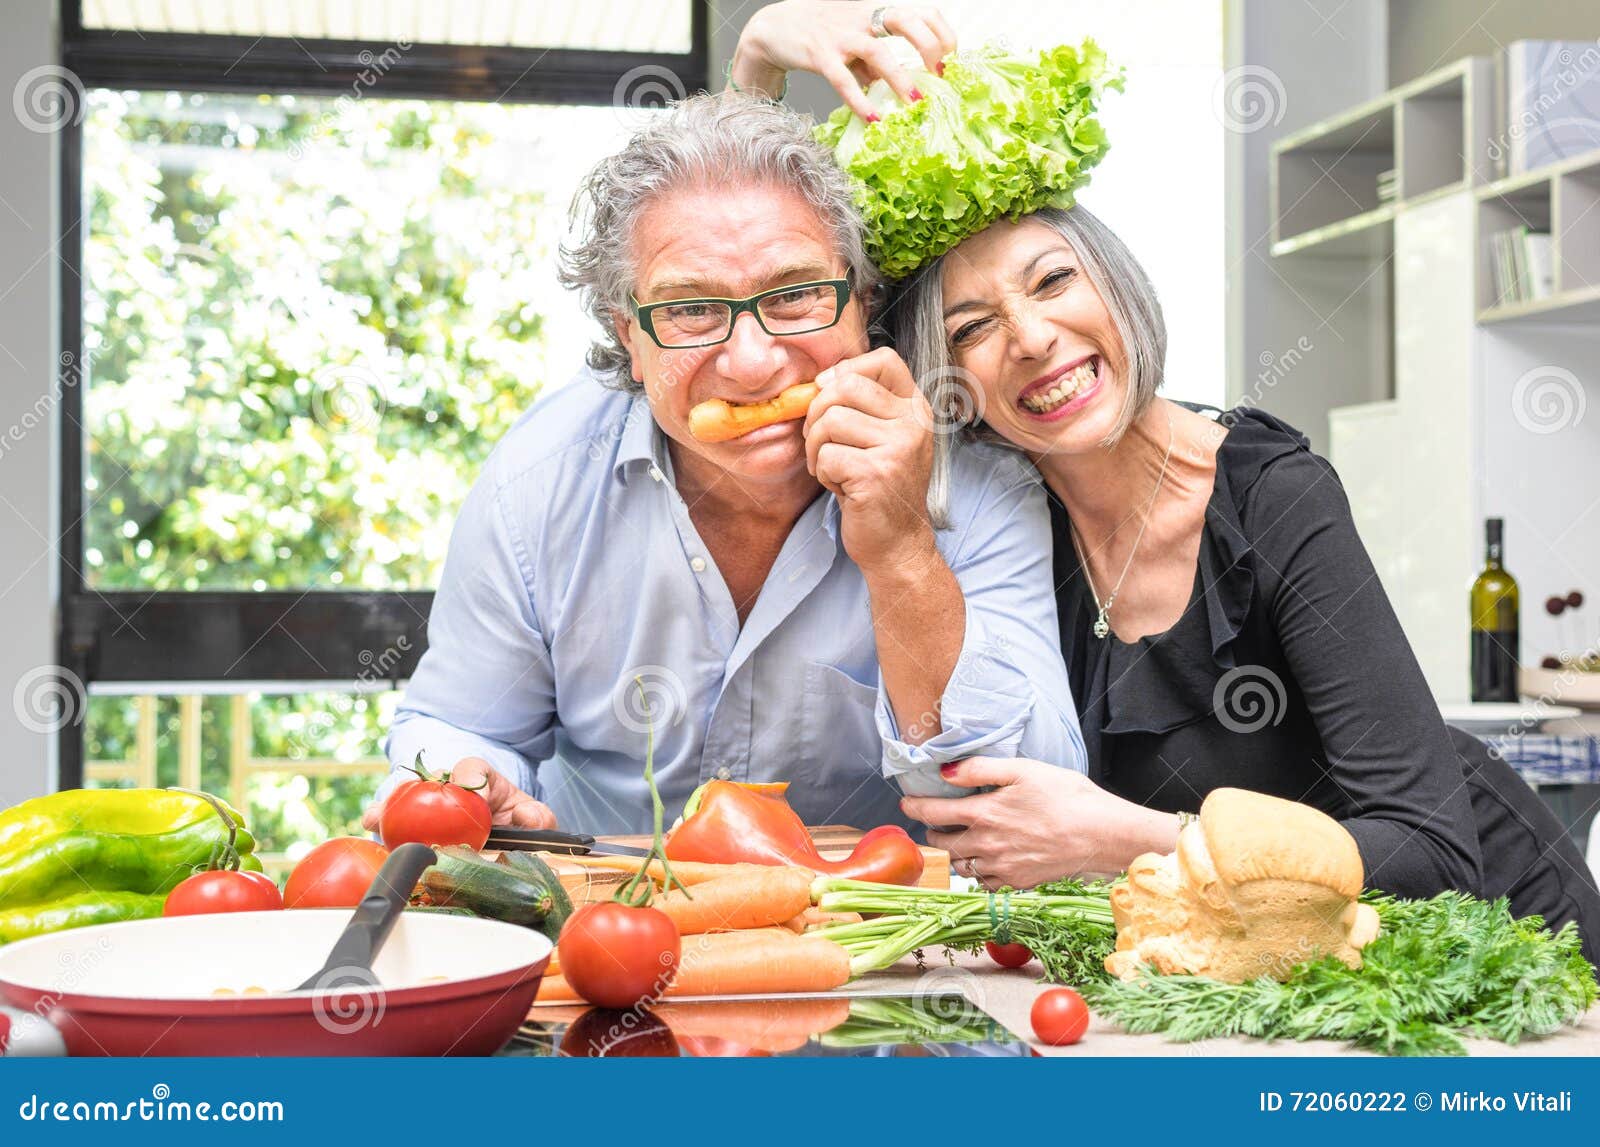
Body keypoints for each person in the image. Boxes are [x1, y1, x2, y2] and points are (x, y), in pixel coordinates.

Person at [883, 203, 1600, 961]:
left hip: (1497, 948)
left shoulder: (1274, 497)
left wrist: (1118, 837)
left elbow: (1431, 857)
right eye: (972, 328)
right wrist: (759, 80)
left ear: (1118, 288)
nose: (1029, 338)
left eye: (1054, 279)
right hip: (1279, 972)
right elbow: (815, 327)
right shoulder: (1011, 536)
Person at [363, 89, 1086, 837]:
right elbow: (461, 726)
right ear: (630, 337)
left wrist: (903, 550)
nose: (750, 363)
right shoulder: (535, 483)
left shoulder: (979, 484)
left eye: (797, 294)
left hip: (871, 942)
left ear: (861, 303)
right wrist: (468, 782)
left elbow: (1031, 806)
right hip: (602, 927)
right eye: (691, 310)